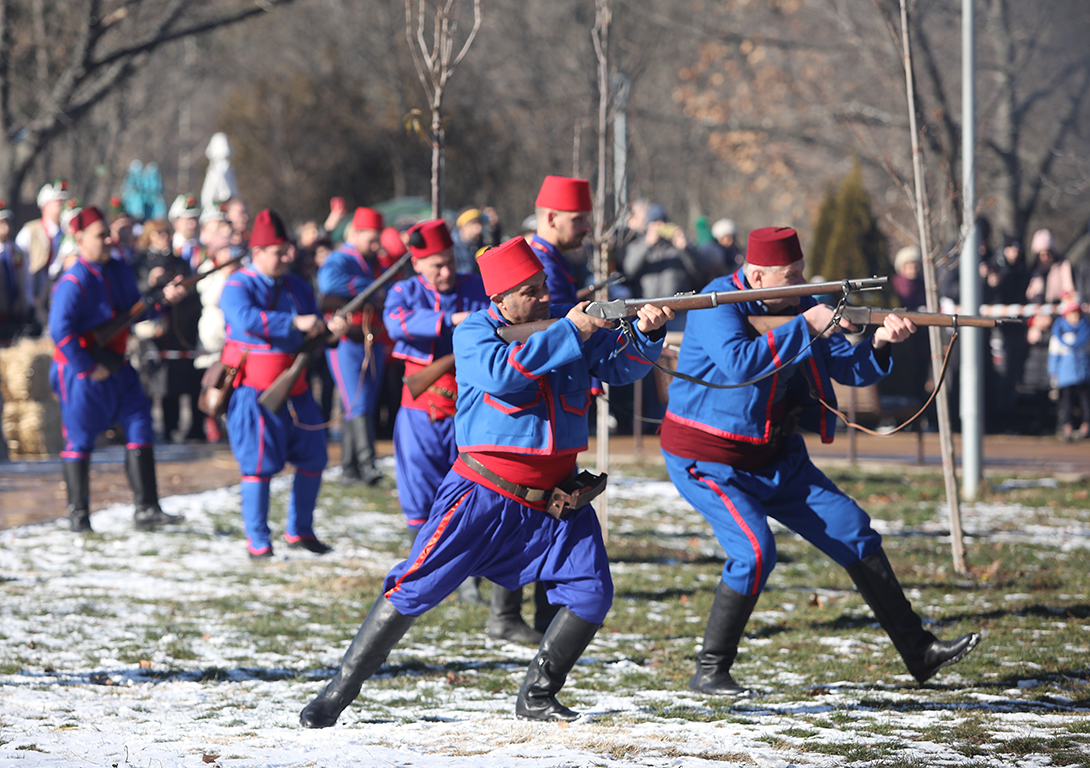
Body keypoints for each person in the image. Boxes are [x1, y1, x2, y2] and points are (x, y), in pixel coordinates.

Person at [299, 236, 674, 728]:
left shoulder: (567, 327)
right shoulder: (478, 330)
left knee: (591, 593)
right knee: (413, 587)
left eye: (543, 286)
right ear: (499, 300)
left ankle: (538, 695)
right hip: (484, 494)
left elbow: (620, 368)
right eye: (530, 291)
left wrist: (646, 336)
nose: (544, 297)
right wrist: (570, 330)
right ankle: (338, 692)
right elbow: (502, 375)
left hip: (557, 498)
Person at [659, 226, 980, 695]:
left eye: (801, 273)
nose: (801, 282)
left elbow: (850, 368)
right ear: (756, 275)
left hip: (776, 457)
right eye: (790, 276)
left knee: (854, 529)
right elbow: (741, 363)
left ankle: (919, 652)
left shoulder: (798, 307)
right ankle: (710, 670)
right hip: (708, 459)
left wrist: (882, 341)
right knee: (753, 553)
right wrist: (808, 323)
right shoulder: (717, 302)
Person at [48, 206, 187, 533]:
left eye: (108, 233)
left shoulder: (120, 270)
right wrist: (85, 368)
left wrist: (163, 299)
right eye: (100, 235)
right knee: (80, 440)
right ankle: (79, 516)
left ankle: (147, 508)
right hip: (80, 370)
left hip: (117, 363)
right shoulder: (73, 280)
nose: (109, 239)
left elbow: (134, 312)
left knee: (140, 422)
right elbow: (60, 330)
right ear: (79, 239)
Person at [218, 209, 348, 558]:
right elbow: (243, 319)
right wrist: (295, 322)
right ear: (257, 253)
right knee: (258, 466)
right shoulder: (237, 284)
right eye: (278, 252)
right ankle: (258, 540)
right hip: (255, 392)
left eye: (287, 250)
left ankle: (300, 530)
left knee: (314, 457)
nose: (287, 257)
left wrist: (329, 331)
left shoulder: (298, 286)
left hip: (298, 388)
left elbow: (314, 327)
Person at [317, 207, 388, 486]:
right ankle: (368, 463)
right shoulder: (340, 258)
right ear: (356, 234)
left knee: (361, 402)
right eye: (371, 238)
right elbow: (329, 282)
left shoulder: (373, 260)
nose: (376, 244)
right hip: (347, 339)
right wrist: (370, 285)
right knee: (356, 401)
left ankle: (349, 467)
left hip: (371, 337)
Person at [622, 204, 702, 331]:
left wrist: (685, 249)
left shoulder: (679, 245)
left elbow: (699, 272)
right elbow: (629, 270)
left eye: (662, 222)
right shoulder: (638, 245)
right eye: (655, 223)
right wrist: (646, 245)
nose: (659, 226)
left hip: (678, 310)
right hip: (647, 309)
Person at [17, 179, 71, 332]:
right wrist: (29, 299)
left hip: (59, 296)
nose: (61, 204)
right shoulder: (30, 231)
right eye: (57, 201)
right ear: (45, 205)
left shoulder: (67, 233)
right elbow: (22, 270)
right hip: (36, 298)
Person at [530, 176, 594, 304]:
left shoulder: (551, 259)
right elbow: (560, 321)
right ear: (551, 219)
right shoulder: (544, 269)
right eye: (578, 219)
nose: (587, 228)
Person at [1048, 297, 1090, 441]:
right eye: (1072, 313)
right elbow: (1054, 356)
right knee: (1066, 403)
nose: (1075, 317)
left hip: (1084, 375)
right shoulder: (1059, 334)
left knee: (1086, 403)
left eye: (1077, 313)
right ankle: (1067, 427)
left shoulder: (1086, 332)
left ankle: (1086, 426)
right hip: (1065, 377)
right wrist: (1053, 375)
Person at [0, 200, 29, 341]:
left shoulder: (16, 251)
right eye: (1, 223)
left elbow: (22, 277)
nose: (5, 228)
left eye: (6, 223)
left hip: (15, 308)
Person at [1026, 229, 1075, 305]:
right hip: (1038, 313)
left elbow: (1068, 288)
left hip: (1059, 310)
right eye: (1042, 255)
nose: (1045, 258)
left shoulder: (1062, 266)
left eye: (1048, 254)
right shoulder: (1033, 272)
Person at [451, 207, 500, 274]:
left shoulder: (480, 245)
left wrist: (495, 228)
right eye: (473, 224)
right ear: (463, 227)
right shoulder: (452, 249)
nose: (479, 228)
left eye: (479, 223)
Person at [169, 194, 203, 269]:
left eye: (194, 219)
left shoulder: (202, 248)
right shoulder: (169, 247)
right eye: (187, 220)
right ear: (176, 222)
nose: (193, 224)